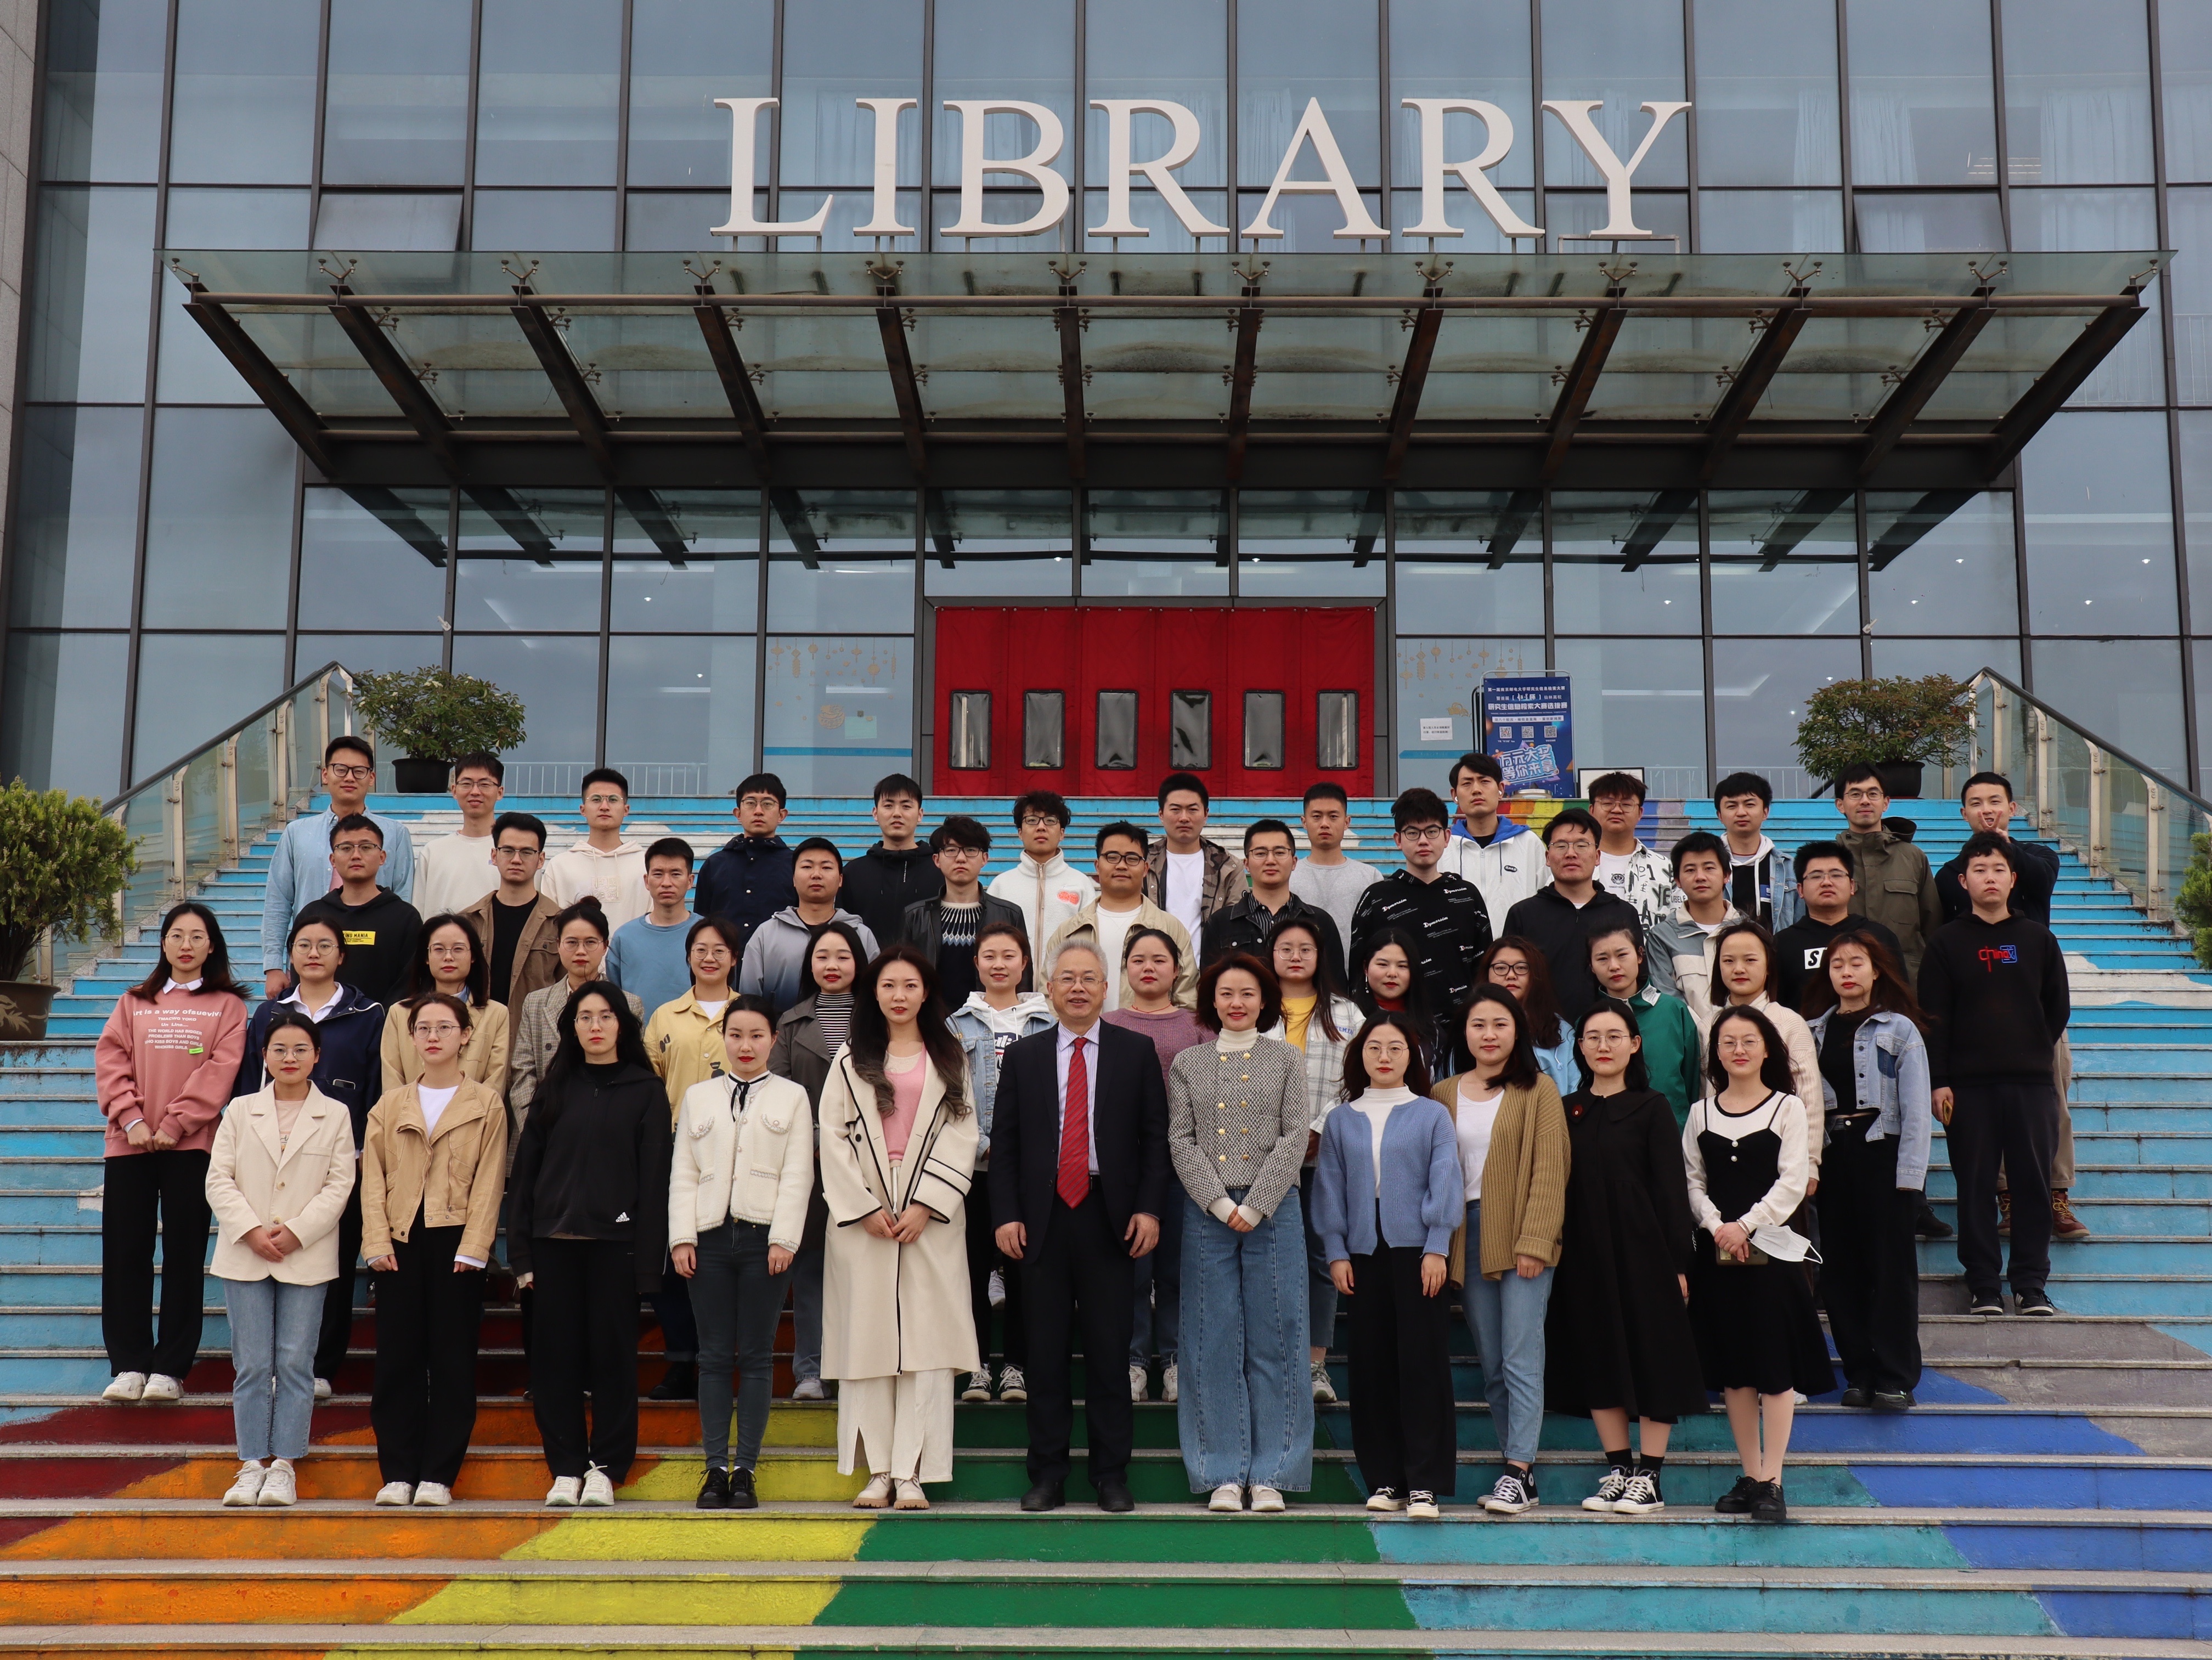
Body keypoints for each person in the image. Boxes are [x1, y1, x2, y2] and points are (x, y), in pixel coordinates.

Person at [989, 939, 1169, 1514]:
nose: (1078, 988)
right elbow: (1006, 1145)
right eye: (1067, 977)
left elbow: (1155, 1139)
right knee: (1044, 1355)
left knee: (1110, 1353)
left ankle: (1110, 1474)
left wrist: (1149, 1209)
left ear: (1106, 988)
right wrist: (1006, 1214)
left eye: (1089, 978)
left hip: (1110, 1216)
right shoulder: (1025, 1056)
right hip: (1040, 1219)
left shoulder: (1135, 1051)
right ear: (1048, 988)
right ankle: (1047, 1474)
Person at [817, 947, 981, 1510]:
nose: (899, 995)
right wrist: (862, 1206)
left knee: (927, 1345)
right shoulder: (850, 1057)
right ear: (874, 992)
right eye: (888, 985)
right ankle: (879, 1470)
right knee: (868, 1343)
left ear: (926, 992)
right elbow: (831, 1135)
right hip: (864, 1212)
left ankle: (914, 1472)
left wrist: (928, 1204)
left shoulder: (949, 1054)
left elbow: (964, 1131)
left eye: (910, 985)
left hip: (928, 1212)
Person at [510, 984, 672, 1507]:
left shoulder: (646, 1091)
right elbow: (526, 1174)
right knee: (554, 1363)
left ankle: (606, 1468)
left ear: (623, 1025)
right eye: (585, 1017)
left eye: (605, 1016)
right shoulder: (554, 1088)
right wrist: (522, 1255)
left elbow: (655, 1183)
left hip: (616, 1248)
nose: (595, 1026)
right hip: (552, 1247)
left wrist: (647, 1268)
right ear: (572, 1027)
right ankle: (565, 1469)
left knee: (613, 1362)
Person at [1543, 1000, 1706, 1516]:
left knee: (1653, 1357)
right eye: (1593, 1037)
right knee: (1599, 1358)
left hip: (1645, 1253)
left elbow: (1671, 1191)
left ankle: (1650, 1478)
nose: (1603, 1046)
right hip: (1584, 1255)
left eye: (1615, 1036)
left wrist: (1679, 1263)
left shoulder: (1652, 1107)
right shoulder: (1566, 1109)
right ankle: (1619, 1469)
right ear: (1580, 1046)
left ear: (1635, 1044)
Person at [1166, 953, 1313, 1512]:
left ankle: (1274, 1472)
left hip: (1274, 1210)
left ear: (1265, 1000)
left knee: (1279, 1334)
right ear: (1211, 1000)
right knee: (1211, 1337)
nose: (1236, 1002)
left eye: (1248, 993)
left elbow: (1295, 1134)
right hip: (1207, 1211)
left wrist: (1257, 1204)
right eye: (1226, 992)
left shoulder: (1286, 1058)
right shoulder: (1188, 1062)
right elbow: (1181, 1139)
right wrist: (1221, 1201)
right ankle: (1221, 1472)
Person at [1685, 1005, 1837, 1525]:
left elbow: (1793, 1181)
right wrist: (1717, 1226)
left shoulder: (1787, 1108)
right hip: (1717, 1256)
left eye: (1749, 1040)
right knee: (1735, 1372)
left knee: (1775, 1370)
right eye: (1728, 1042)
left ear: (1767, 1048)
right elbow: (1692, 1181)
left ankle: (1774, 1479)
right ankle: (1750, 1475)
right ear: (1716, 1052)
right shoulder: (1700, 1113)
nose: (1739, 1050)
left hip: (1772, 1254)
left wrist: (1746, 1225)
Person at [95, 903, 250, 1403]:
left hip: (192, 1145)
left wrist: (176, 1123)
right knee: (126, 1253)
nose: (186, 945)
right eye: (177, 935)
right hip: (130, 1144)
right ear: (162, 944)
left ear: (212, 946)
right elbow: (111, 1060)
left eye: (197, 936)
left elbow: (221, 1070)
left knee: (184, 1254)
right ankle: (129, 1364)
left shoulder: (228, 1006)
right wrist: (132, 1119)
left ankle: (170, 1369)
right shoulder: (133, 1002)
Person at [203, 1010, 357, 1507]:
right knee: (251, 1364)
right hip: (245, 1252)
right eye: (279, 1050)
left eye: (300, 1050)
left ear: (317, 1056)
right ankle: (251, 1463)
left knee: (294, 1362)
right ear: (264, 1057)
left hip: (305, 1254)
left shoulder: (335, 1114)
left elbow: (340, 1185)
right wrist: (251, 1230)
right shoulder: (240, 1110)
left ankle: (285, 1465)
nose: (290, 1058)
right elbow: (218, 1179)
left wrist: (297, 1232)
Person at [360, 992, 507, 1507]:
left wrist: (476, 1246)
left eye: (445, 1027)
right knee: (397, 1360)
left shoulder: (485, 1103)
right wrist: (376, 1240)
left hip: (456, 1242)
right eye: (423, 1028)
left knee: (452, 1360)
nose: (433, 1036)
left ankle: (439, 1476)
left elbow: (490, 1179)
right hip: (400, 1241)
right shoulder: (390, 1105)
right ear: (412, 1037)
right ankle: (398, 1472)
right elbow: (372, 1179)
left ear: (465, 1036)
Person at [1311, 1012, 1460, 1520]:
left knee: (1422, 1364)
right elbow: (1329, 1187)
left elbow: (1445, 1179)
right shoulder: (1341, 1119)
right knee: (1371, 1367)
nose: (1384, 1057)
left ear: (1411, 1057)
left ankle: (1424, 1484)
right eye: (1375, 1047)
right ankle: (1384, 1479)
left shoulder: (1432, 1114)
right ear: (1360, 1055)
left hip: (1418, 1251)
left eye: (1396, 1048)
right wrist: (1335, 1251)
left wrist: (1437, 1245)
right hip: (1361, 1253)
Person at [1920, 832, 2071, 1319]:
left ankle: (2031, 1286)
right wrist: (1940, 1081)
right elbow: (1933, 1018)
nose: (1990, 878)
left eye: (1999, 870)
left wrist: (2030, 1048)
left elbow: (2057, 1008)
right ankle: (1984, 1285)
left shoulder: (2038, 939)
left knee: (2032, 1187)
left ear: (2013, 879)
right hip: (1967, 1088)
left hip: (2031, 1084)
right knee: (1975, 1187)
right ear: (1963, 881)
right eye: (1979, 870)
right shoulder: (1946, 943)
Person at [669, 996, 813, 1510]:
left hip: (764, 1241)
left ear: (773, 1040)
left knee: (755, 1355)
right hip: (708, 1239)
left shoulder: (793, 1097)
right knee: (712, 1357)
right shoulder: (699, 1096)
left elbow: (798, 1173)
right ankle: (714, 1469)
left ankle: (746, 1470)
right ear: (723, 1039)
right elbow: (684, 1171)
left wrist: (785, 1238)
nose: (745, 1045)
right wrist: (681, 1237)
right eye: (736, 1035)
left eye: (756, 1035)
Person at [235, 914, 386, 1398]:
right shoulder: (268, 1013)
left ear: (342, 955)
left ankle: (320, 1365)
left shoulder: (368, 1014)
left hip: (341, 1157)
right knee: (272, 1256)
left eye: (325, 945)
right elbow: (248, 1085)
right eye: (304, 945)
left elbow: (376, 1087)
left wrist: (365, 1151)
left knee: (331, 1259)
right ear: (291, 955)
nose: (314, 953)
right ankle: (272, 1362)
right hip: (272, 1159)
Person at [1433, 986, 1568, 1517]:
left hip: (1520, 1232)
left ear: (1518, 1031)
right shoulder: (1442, 1093)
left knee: (1520, 1354)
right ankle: (1520, 1472)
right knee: (1492, 1361)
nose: (1489, 1035)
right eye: (1478, 1025)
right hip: (1464, 1233)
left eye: (1500, 1024)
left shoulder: (1539, 1089)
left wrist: (1536, 1241)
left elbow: (1551, 1170)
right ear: (1464, 1033)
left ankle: (1518, 1468)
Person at [1932, 773, 2083, 1245]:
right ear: (1963, 814)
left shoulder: (2037, 858)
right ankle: (2008, 1196)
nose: (1987, 810)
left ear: (2012, 808)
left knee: (2053, 1101)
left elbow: (2040, 881)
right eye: (1976, 803)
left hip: (2035, 1012)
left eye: (1995, 801)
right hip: (1979, 1018)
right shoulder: (1952, 874)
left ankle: (2056, 1193)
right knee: (1987, 1114)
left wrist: (2003, 846)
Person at [1804, 933, 1933, 1410]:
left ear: (1876, 971)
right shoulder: (1811, 1032)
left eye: (1857, 963)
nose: (1847, 972)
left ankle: (1896, 1377)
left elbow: (1917, 1108)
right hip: (1833, 1154)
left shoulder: (1899, 1029)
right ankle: (1859, 1372)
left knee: (1890, 1270)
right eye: (1838, 964)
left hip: (1884, 1152)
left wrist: (1911, 1177)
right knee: (1841, 1271)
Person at [639, 917, 748, 1403]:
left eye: (719, 950)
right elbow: (649, 1086)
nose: (709, 958)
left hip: (739, 1152)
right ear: (688, 957)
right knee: (673, 1261)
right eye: (700, 949)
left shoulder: (749, 1013)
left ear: (734, 958)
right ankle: (682, 1360)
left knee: (726, 1258)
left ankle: (722, 1359)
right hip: (675, 1152)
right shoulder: (665, 1017)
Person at [950, 921, 1055, 1405]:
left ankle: (1016, 1366)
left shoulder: (1047, 1022)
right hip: (972, 1171)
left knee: (1024, 1270)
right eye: (989, 956)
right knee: (971, 1270)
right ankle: (976, 1367)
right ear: (976, 964)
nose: (999, 964)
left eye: (1009, 956)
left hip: (1030, 1173)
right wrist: (981, 1144)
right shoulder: (955, 1026)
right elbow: (949, 1097)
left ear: (1024, 963)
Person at [1105, 927, 1209, 1407]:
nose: (1149, 967)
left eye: (1159, 960)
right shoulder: (1106, 1023)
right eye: (1139, 960)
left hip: (1186, 1166)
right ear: (1125, 968)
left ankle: (1174, 1361)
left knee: (1176, 1271)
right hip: (1123, 1168)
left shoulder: (1198, 1027)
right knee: (1130, 1270)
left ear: (1177, 969)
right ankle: (1132, 1361)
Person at [1264, 916, 1364, 1406]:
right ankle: (1270, 1362)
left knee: (1322, 1259)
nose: (1296, 956)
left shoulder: (1346, 1012)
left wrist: (1318, 1128)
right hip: (1261, 1156)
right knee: (1269, 1258)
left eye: (1306, 948)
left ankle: (1315, 1364)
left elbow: (1359, 1077)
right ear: (1271, 955)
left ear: (1321, 957)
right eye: (1286, 948)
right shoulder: (1255, 1007)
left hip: (1324, 1156)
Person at [768, 921, 870, 1401]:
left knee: (863, 1267)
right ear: (810, 965)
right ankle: (810, 1369)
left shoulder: (879, 1019)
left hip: (869, 1166)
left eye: (843, 956)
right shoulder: (790, 1023)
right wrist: (816, 1139)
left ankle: (859, 1368)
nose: (832, 965)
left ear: (858, 964)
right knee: (810, 1267)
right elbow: (778, 1092)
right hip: (808, 1166)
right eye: (823, 956)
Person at [259, 736, 416, 998]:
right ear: (325, 774)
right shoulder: (297, 833)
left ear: (372, 777)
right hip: (313, 961)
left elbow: (404, 898)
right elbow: (278, 900)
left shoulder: (395, 834)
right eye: (340, 769)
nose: (349, 777)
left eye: (359, 771)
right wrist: (274, 966)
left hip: (376, 962)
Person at [509, 902, 645, 1163]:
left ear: (605, 946)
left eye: (590, 942)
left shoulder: (628, 1005)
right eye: (571, 943)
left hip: (605, 1136)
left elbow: (633, 1071)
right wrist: (538, 1126)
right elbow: (523, 1071)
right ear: (559, 945)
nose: (581, 951)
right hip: (542, 1136)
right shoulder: (536, 1003)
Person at [1349, 788, 1493, 1026]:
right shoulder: (1377, 898)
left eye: (1432, 831)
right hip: (1393, 1031)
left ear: (1446, 837)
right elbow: (1357, 974)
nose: (1423, 841)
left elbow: (1484, 969)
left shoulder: (1466, 896)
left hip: (1461, 1030)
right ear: (1398, 840)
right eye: (1413, 833)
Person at [1704, 923, 1824, 1183]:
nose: (1739, 969)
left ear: (1769, 966)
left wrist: (1810, 1162)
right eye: (1728, 961)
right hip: (1721, 1153)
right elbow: (1705, 1090)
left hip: (1782, 1158)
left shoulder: (1790, 1023)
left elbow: (1810, 1097)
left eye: (1750, 960)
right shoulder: (1706, 1026)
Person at [1501, 809, 1638, 1026]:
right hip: (1541, 1035)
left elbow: (1638, 980)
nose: (1571, 854)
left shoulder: (1622, 913)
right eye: (1561, 846)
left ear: (1598, 856)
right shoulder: (1523, 915)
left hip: (1608, 1034)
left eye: (1582, 845)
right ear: (1548, 857)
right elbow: (1508, 982)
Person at [1047, 822, 1195, 1013]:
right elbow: (1049, 998)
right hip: (1081, 1032)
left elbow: (1187, 1000)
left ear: (1145, 869)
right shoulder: (1069, 932)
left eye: (1132, 859)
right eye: (1112, 857)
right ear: (1097, 866)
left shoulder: (1170, 929)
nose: (1122, 866)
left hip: (1151, 1032)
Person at [293, 815, 424, 1007]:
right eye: (346, 848)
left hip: (384, 1022)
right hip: (321, 1021)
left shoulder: (405, 918)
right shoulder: (313, 915)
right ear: (333, 860)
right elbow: (300, 978)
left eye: (366, 847)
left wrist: (377, 1018)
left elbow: (409, 984)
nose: (356, 855)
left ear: (382, 857)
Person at [738, 837, 879, 1012]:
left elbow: (875, 995)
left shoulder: (861, 935)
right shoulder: (766, 934)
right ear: (794, 879)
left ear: (840, 879)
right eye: (807, 867)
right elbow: (749, 1000)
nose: (816, 875)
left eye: (826, 868)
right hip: (780, 1029)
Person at [901, 816, 1029, 1007]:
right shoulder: (916, 916)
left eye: (970, 850)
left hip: (992, 1018)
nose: (961, 859)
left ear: (985, 858)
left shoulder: (1010, 914)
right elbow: (904, 975)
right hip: (932, 1020)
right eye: (951, 850)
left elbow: (1023, 980)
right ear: (937, 860)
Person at [379, 915, 511, 1093]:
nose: (448, 957)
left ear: (473, 956)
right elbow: (392, 1084)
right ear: (426, 957)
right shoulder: (399, 1013)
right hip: (409, 1110)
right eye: (439, 949)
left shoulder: (496, 1014)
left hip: (474, 1110)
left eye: (458, 949)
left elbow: (494, 1085)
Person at [1835, 763, 1942, 980]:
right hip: (1845, 980)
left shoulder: (1913, 858)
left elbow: (1933, 927)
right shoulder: (1829, 861)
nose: (1865, 801)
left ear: (1886, 803)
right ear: (1840, 805)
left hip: (1905, 981)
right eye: (1855, 794)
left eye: (1873, 794)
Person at [1201, 818, 1346, 979]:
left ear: (1294, 862)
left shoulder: (1320, 922)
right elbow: (1209, 986)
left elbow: (1335, 987)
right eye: (1260, 853)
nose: (1270, 861)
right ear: (1246, 864)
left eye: (1280, 853)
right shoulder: (1220, 924)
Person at [1587, 924, 1701, 1126]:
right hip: (1610, 1133)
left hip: (1672, 1131)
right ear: (1591, 967)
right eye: (1602, 959)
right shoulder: (1589, 1023)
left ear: (1640, 955)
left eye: (1622, 955)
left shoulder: (1673, 1011)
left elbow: (1692, 1080)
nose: (1614, 966)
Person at [1771, 844, 1903, 1010]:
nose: (1827, 882)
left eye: (1836, 875)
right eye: (1816, 876)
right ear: (1800, 890)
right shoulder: (1782, 944)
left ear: (1852, 886)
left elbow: (1899, 999)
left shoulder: (1880, 936)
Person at [459, 812, 562, 1010]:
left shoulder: (559, 924)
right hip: (476, 1028)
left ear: (541, 859)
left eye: (527, 852)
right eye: (508, 851)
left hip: (534, 1029)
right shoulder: (468, 922)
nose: (516, 860)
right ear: (494, 856)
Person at [988, 789, 1099, 968]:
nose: (1041, 827)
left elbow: (1090, 943)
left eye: (1050, 820)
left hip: (1063, 982)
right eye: (1032, 820)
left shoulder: (1081, 884)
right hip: (1013, 984)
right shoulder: (1001, 885)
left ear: (1062, 833)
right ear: (1020, 833)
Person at [1438, 753, 1545, 924]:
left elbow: (1547, 901)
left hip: (1517, 941)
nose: (1476, 790)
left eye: (1484, 781)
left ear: (1500, 789)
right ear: (1454, 795)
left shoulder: (1528, 843)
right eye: (1467, 783)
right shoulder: (1443, 847)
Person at [540, 769, 651, 931]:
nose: (604, 807)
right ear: (583, 809)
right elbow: (549, 928)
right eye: (596, 799)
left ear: (626, 809)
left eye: (613, 800)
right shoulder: (560, 866)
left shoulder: (646, 865)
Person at [607, 839, 707, 1019]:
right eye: (658, 874)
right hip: (639, 1035)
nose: (666, 883)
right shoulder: (625, 938)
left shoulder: (709, 934)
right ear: (647, 881)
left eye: (676, 874)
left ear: (690, 881)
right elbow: (614, 999)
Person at [843, 772, 943, 948]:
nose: (897, 813)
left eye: (906, 806)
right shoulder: (853, 873)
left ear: (920, 814)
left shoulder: (940, 871)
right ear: (875, 813)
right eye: (888, 806)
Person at [694, 773, 799, 939]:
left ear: (781, 815)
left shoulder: (796, 865)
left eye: (767, 804)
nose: (758, 811)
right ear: (738, 814)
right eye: (750, 803)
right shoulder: (715, 865)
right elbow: (701, 924)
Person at [1646, 832, 1740, 1015]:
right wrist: (1703, 1030)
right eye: (1690, 870)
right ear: (1678, 880)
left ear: (1726, 875)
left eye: (1709, 868)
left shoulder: (1748, 931)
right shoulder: (1662, 937)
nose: (1700, 877)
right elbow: (1668, 1000)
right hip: (1688, 1033)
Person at [1146, 772, 1247, 941]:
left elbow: (1238, 925)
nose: (1184, 818)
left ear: (1206, 814)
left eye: (1192, 810)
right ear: (1161, 814)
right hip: (1155, 958)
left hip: (1212, 958)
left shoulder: (1228, 867)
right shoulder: (1143, 863)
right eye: (1175, 810)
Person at [411, 753, 506, 919]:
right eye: (467, 784)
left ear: (500, 792)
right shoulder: (433, 852)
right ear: (454, 791)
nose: (475, 792)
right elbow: (419, 914)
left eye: (485, 784)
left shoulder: (513, 852)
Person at [1477, 936, 1576, 1091]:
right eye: (1501, 968)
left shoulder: (1560, 1030)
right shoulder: (1470, 1026)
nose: (1511, 975)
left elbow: (1575, 1089)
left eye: (1521, 968)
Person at [1290, 782, 1380, 947]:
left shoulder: (1370, 876)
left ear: (1347, 822)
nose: (1325, 824)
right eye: (1317, 816)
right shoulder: (1289, 875)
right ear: (1304, 822)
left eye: (1333, 817)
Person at [1712, 772, 1803, 932]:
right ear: (1720, 815)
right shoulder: (1708, 866)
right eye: (1732, 806)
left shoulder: (1788, 868)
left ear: (1765, 812)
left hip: (1777, 948)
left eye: (1749, 805)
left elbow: (1800, 924)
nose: (1741, 812)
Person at [1350, 926, 1444, 1074]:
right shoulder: (1348, 1019)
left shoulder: (1431, 1030)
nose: (1392, 973)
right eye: (1383, 964)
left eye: (1402, 966)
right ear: (1366, 968)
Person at [1585, 772, 1673, 927]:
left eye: (1626, 804)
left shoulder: (1665, 868)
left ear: (1640, 813)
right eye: (1607, 803)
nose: (1617, 810)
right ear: (1592, 810)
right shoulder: (1574, 863)